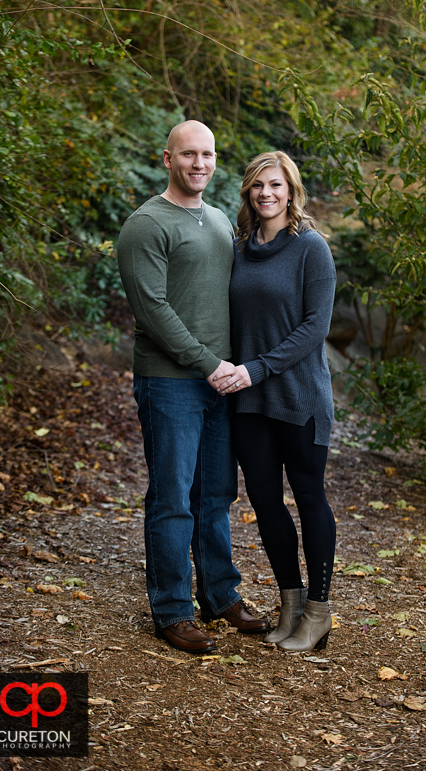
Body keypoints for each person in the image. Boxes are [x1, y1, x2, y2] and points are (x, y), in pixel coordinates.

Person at [116, 120, 269, 654]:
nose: (199, 164)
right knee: (172, 498)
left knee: (215, 495)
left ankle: (220, 596)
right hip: (171, 383)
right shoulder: (145, 225)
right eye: (188, 155)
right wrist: (208, 362)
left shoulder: (220, 219)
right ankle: (172, 610)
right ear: (167, 159)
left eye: (207, 155)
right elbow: (152, 310)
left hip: (219, 382)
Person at [212, 151, 337, 652]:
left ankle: (319, 611)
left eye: (276, 185)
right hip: (248, 401)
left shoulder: (311, 248)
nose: (267, 193)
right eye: (258, 186)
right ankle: (290, 603)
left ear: (292, 191)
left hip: (298, 396)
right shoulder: (238, 249)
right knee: (265, 502)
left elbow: (315, 328)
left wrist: (255, 369)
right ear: (248, 192)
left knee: (309, 499)